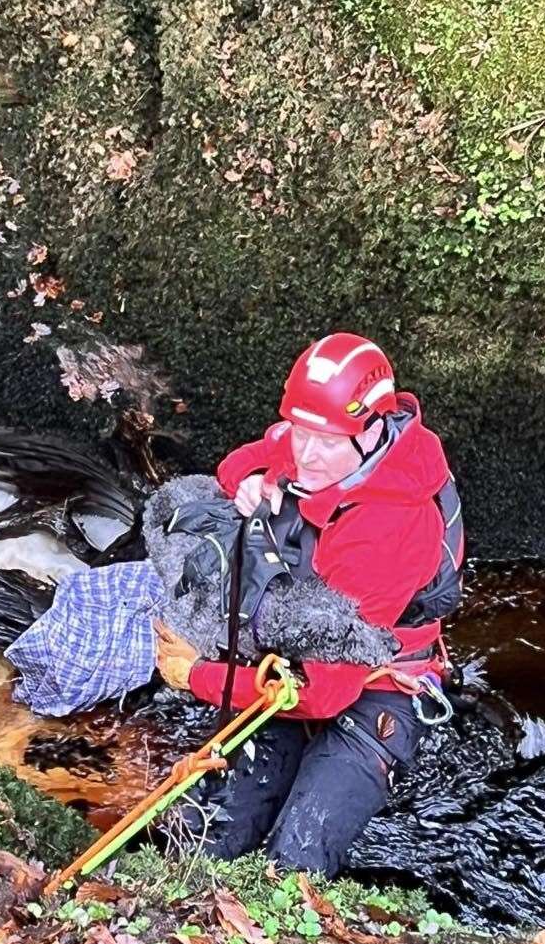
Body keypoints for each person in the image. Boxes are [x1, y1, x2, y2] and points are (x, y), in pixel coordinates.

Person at [154, 331, 463, 877]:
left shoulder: (388, 529)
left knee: (292, 864)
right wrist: (253, 479)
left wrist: (198, 675)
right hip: (300, 652)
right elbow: (242, 461)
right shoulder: (320, 445)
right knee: (204, 844)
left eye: (326, 440)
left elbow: (323, 693)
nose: (306, 455)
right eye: (301, 432)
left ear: (371, 430)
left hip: (376, 685)